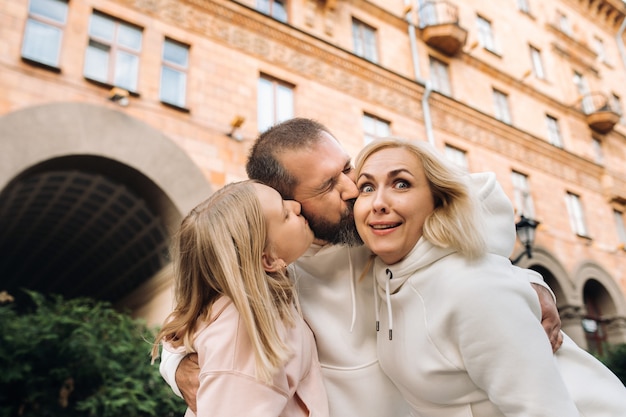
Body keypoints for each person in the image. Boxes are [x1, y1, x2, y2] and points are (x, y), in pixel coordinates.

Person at [159, 118, 563, 417]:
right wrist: (181, 371)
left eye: (347, 169)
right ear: (288, 201)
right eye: (328, 186)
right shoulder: (269, 265)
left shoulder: (383, 224)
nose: (355, 191)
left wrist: (528, 280)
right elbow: (189, 327)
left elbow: (474, 211)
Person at [353, 137, 626, 416]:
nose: (378, 203)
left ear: (438, 201)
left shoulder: (473, 289)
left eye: (401, 184)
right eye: (366, 187)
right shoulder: (386, 279)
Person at [151, 180, 329, 416]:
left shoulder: (251, 309)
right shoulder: (242, 333)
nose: (296, 205)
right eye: (285, 214)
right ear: (269, 259)